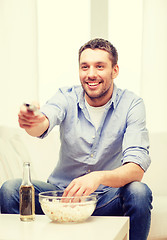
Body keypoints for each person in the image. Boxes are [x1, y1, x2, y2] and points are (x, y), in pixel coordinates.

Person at [0, 38, 152, 239]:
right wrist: (32, 120)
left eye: (100, 66)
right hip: (61, 196)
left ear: (114, 70)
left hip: (106, 198)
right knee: (10, 189)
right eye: (85, 67)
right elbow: (43, 122)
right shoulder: (66, 96)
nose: (91, 74)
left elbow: (136, 169)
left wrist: (97, 177)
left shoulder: (132, 104)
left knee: (139, 192)